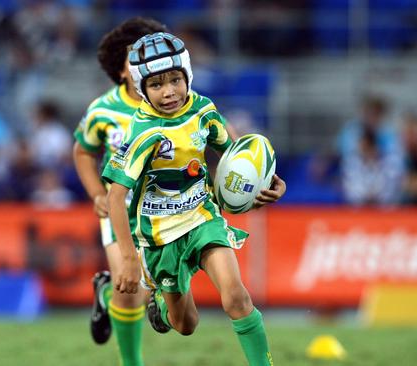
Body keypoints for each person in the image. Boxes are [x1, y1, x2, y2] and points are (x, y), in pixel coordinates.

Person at [102, 32, 286, 366]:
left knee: (236, 297)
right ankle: (158, 296)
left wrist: (266, 184)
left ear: (187, 75)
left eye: (175, 79)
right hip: (159, 236)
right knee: (186, 325)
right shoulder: (140, 132)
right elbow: (116, 199)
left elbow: (235, 159)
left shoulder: (203, 111)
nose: (169, 91)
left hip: (202, 217)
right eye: (157, 84)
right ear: (143, 88)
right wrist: (129, 259)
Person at [72, 17, 167, 366]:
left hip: (170, 209)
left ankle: (105, 290)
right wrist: (96, 192)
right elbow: (83, 151)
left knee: (163, 298)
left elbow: (222, 136)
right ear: (120, 68)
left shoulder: (176, 101)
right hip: (121, 210)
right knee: (132, 294)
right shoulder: (103, 110)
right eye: (133, 57)